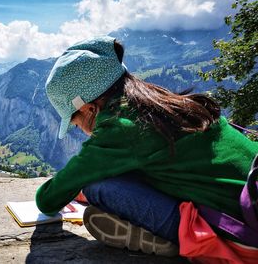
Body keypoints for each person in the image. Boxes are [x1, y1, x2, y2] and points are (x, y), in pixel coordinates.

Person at [35, 36, 258, 260]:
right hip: (248, 209)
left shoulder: (119, 128)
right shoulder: (163, 103)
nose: (80, 130)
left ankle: (169, 239)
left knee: (96, 187)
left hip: (237, 236)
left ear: (89, 109)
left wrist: (76, 186)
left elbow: (46, 200)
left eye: (75, 123)